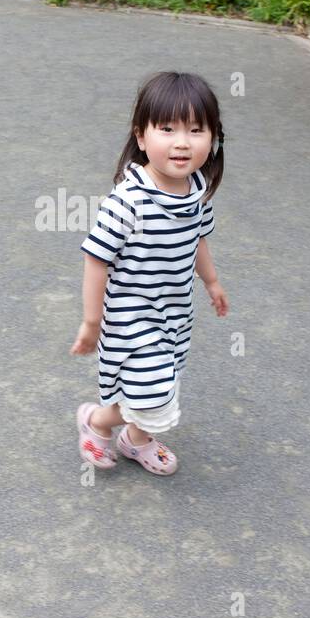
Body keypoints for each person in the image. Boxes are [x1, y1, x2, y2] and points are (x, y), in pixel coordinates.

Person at [69, 72, 229, 476]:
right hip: (129, 316)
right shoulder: (128, 202)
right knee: (152, 390)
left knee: (165, 382)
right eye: (167, 129)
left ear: (212, 139)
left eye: (196, 130)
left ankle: (135, 439)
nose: (182, 141)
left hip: (173, 313)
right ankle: (98, 421)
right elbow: (96, 259)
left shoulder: (196, 192)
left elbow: (199, 241)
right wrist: (92, 321)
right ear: (141, 137)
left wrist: (211, 282)